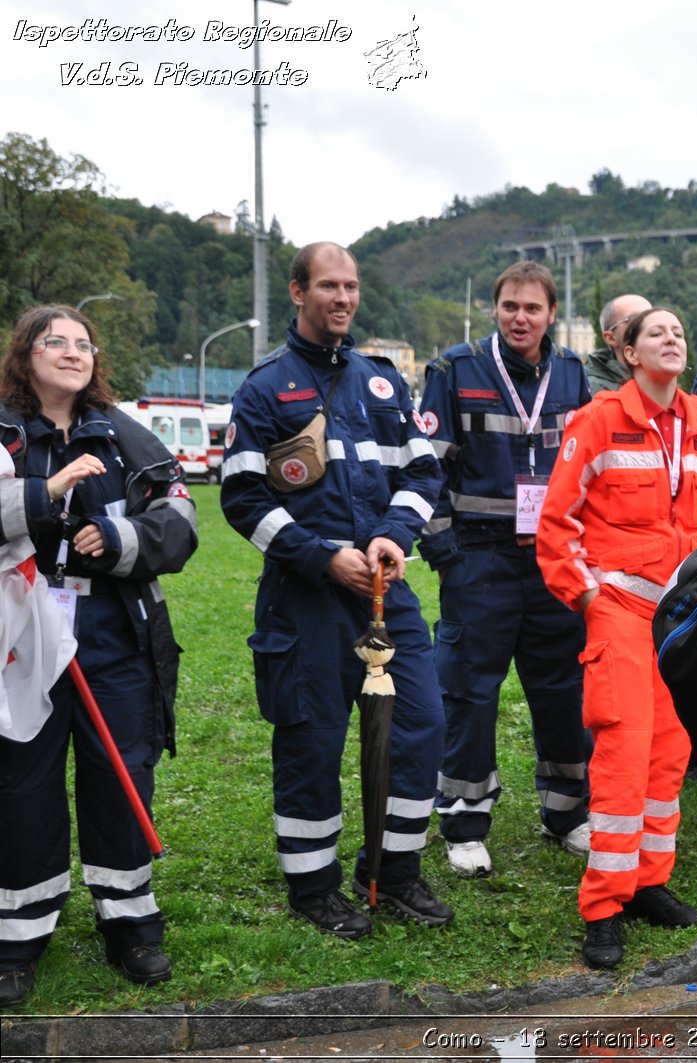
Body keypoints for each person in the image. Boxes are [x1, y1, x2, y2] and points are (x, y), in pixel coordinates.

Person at [221, 242, 451, 939]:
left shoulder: (382, 383)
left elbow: (423, 476)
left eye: (350, 286)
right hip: (306, 599)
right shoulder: (264, 388)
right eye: (328, 285)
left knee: (423, 723)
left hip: (384, 592)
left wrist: (391, 536)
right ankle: (313, 887)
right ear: (298, 292)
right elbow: (240, 496)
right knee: (311, 740)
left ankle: (395, 870)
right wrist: (322, 557)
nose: (342, 298)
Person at [0, 306, 197, 1007]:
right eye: (56, 340)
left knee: (122, 776)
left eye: (85, 342)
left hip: (114, 635)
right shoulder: (2, 432)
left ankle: (128, 917)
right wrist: (42, 499)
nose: (74, 351)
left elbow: (180, 518)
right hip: (20, 641)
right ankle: (21, 929)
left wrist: (118, 543)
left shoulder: (125, 432)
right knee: (23, 783)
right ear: (25, 354)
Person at [537, 306, 697, 970]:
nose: (674, 337)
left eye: (681, 330)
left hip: (683, 619)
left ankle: (649, 879)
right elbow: (556, 521)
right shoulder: (597, 422)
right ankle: (602, 905)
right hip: (619, 612)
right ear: (627, 352)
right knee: (623, 756)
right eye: (658, 332)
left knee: (671, 754)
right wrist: (589, 598)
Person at [418, 260, 593, 877]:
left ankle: (568, 813)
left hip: (553, 564)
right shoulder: (454, 369)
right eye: (511, 307)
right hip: (481, 560)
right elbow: (427, 469)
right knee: (469, 693)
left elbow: (591, 468)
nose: (521, 318)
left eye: (533, 308)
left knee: (563, 691)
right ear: (495, 309)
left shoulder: (574, 374)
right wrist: (446, 554)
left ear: (551, 314)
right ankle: (465, 820)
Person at [586, 293, 651, 396]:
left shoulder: (663, 383)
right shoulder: (591, 391)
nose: (649, 325)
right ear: (611, 338)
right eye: (635, 319)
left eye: (651, 317)